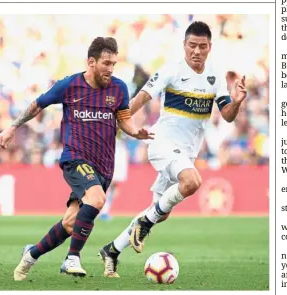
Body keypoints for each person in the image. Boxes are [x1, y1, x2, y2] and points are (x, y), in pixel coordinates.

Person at [0, 37, 154, 281]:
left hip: (104, 166)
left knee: (70, 223)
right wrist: (12, 127)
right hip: (75, 158)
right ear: (91, 62)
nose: (111, 69)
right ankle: (72, 258)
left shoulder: (119, 89)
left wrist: (136, 133)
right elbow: (38, 105)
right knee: (97, 199)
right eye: (106, 63)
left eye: (114, 64)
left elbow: (125, 121)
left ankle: (30, 255)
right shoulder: (69, 85)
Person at [99, 21, 247, 277]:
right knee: (192, 181)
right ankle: (144, 224)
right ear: (184, 46)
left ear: (210, 47)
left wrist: (236, 102)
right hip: (162, 142)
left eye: (202, 46)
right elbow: (140, 100)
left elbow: (228, 116)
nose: (197, 51)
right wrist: (116, 125)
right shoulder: (171, 71)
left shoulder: (215, 76)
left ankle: (112, 250)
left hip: (186, 153)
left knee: (160, 212)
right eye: (192, 46)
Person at [99, 131, 129, 221]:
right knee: (107, 181)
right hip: (110, 148)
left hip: (121, 148)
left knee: (114, 183)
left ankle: (105, 210)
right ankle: (99, 209)